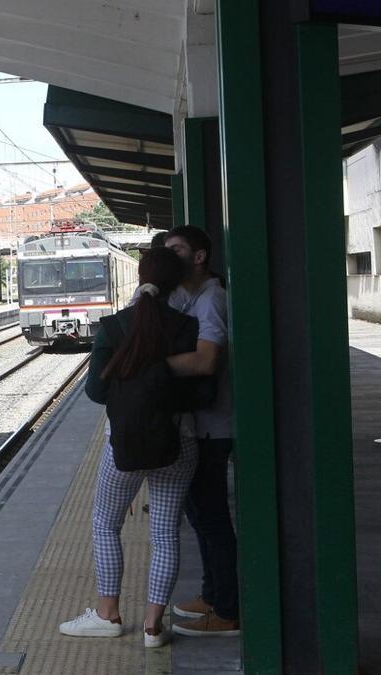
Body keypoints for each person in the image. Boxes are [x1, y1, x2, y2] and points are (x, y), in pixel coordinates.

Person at [60, 247, 201, 648]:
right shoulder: (187, 326)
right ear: (177, 283)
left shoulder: (115, 326)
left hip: (124, 445)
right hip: (179, 441)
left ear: (140, 277)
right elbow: (202, 392)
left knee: (106, 523)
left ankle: (108, 615)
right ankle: (153, 628)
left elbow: (95, 391)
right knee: (165, 532)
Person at [163, 225, 240, 637]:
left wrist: (152, 369)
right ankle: (212, 595)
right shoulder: (185, 295)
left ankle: (228, 610)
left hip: (214, 425)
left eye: (176, 250)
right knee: (199, 513)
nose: (169, 257)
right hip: (199, 423)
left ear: (199, 256)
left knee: (211, 518)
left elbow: (207, 360)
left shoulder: (211, 299)